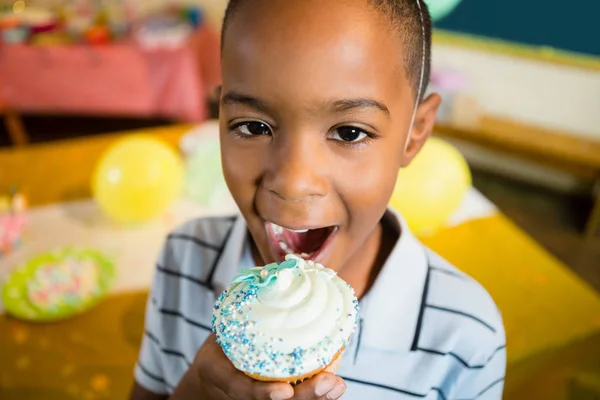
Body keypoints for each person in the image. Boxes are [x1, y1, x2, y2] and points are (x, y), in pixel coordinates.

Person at [130, 0, 506, 399]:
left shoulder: (464, 336)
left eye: (349, 133)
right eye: (253, 126)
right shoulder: (184, 259)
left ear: (415, 133)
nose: (293, 183)